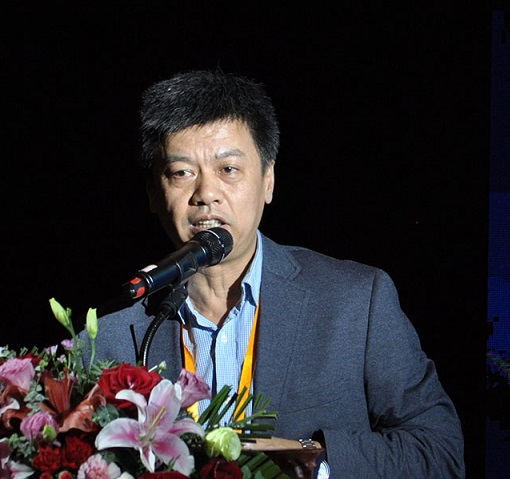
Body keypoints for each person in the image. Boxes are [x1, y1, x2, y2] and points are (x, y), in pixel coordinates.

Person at [85, 70, 465, 478]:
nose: (206, 193)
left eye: (228, 169)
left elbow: (440, 454)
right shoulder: (111, 331)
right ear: (153, 193)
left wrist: (310, 458)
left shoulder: (356, 302)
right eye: (181, 173)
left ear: (268, 180)